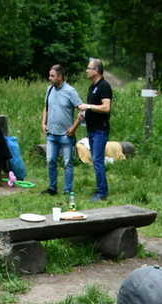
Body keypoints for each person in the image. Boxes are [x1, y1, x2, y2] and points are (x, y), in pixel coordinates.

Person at [41, 64, 82, 197]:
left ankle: (67, 190)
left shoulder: (70, 91)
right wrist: (43, 123)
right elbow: (46, 107)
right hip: (51, 134)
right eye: (49, 75)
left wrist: (74, 128)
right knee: (50, 161)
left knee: (67, 163)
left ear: (60, 77)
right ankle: (52, 188)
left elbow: (82, 110)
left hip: (66, 135)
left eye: (52, 76)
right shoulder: (49, 90)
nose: (50, 78)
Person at [78, 58, 112, 201]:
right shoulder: (92, 87)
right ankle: (100, 188)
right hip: (91, 129)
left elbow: (106, 107)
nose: (86, 70)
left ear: (96, 71)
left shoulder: (104, 86)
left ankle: (102, 193)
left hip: (100, 130)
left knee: (98, 160)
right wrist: (84, 114)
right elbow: (92, 107)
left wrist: (89, 107)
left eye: (89, 68)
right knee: (96, 160)